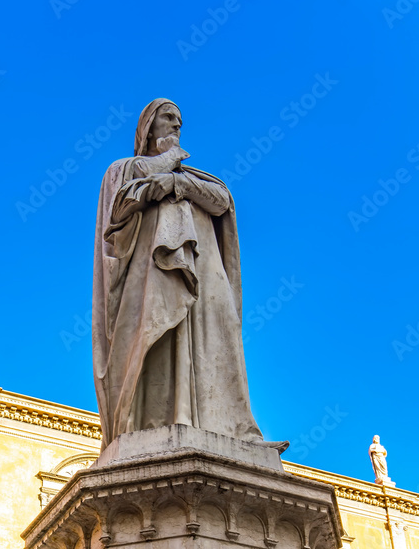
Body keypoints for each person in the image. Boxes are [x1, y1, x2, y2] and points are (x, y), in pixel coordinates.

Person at [93, 99, 284, 451]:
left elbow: (221, 200)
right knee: (159, 340)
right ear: (148, 126)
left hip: (205, 278)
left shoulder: (197, 179)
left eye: (180, 120)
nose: (177, 125)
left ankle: (228, 430)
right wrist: (165, 170)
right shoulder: (122, 169)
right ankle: (157, 423)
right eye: (168, 117)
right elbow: (119, 208)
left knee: (215, 342)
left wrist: (176, 185)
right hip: (150, 277)